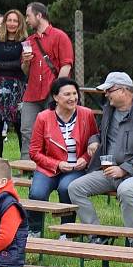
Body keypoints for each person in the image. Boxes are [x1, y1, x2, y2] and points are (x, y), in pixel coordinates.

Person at [67, 72, 133, 248]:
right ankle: (97, 235)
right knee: (75, 188)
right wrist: (94, 142)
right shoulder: (109, 110)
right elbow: (99, 134)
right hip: (109, 171)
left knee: (126, 190)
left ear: (125, 91)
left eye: (109, 90)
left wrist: (124, 168)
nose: (106, 94)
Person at [28, 79, 99, 238]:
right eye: (67, 94)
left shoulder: (86, 114)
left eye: (75, 93)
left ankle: (68, 232)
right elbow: (34, 152)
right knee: (37, 193)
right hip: (49, 168)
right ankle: (34, 230)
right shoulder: (43, 117)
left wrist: (86, 158)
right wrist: (58, 164)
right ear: (55, 97)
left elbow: (94, 140)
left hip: (76, 168)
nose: (72, 98)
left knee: (66, 188)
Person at [20, 2, 73, 160]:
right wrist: (26, 62)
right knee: (27, 129)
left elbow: (66, 65)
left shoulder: (59, 36)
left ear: (39, 15)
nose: (26, 20)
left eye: (28, 16)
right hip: (32, 92)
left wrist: (58, 91)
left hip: (53, 92)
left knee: (53, 131)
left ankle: (53, 165)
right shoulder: (29, 40)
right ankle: (26, 167)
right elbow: (25, 71)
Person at [0, 9, 27, 157]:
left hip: (17, 87)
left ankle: (25, 164)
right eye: (9, 20)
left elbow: (22, 64)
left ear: (20, 23)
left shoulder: (25, 42)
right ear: (4, 22)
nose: (12, 24)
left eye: (15, 21)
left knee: (19, 126)